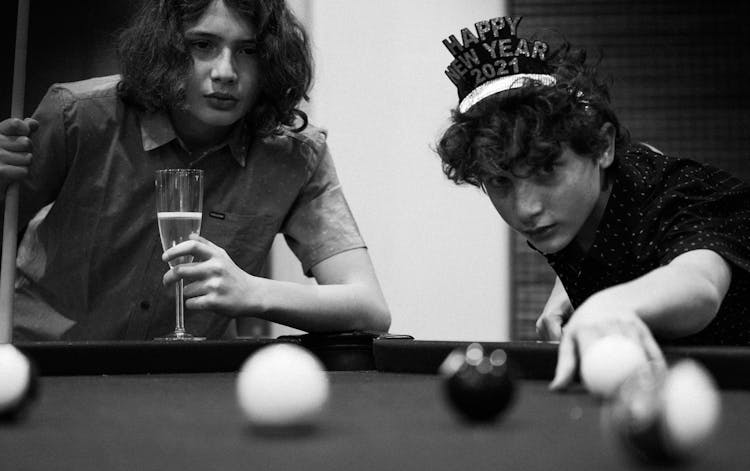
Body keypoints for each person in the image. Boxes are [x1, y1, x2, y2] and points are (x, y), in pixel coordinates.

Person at [0, 0, 391, 341]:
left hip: (184, 386)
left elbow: (368, 307)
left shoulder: (295, 155)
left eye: (248, 50)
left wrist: (252, 292)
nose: (225, 71)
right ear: (166, 49)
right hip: (44, 371)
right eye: (203, 45)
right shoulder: (78, 115)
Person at [436, 16, 750, 390]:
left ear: (602, 146)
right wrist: (564, 289)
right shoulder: (578, 205)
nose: (525, 209)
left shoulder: (675, 192)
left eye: (546, 170)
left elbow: (700, 286)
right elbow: (642, 157)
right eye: (500, 182)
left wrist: (607, 305)